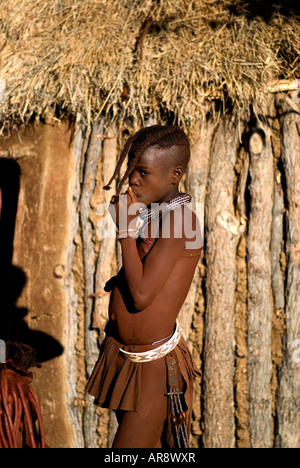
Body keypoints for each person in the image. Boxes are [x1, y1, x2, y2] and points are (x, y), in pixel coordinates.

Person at [86, 125, 203, 448]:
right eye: (130, 169)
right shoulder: (156, 217)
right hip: (125, 357)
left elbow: (141, 295)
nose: (132, 179)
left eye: (143, 171)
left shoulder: (183, 221)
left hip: (154, 368)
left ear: (174, 174)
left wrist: (125, 230)